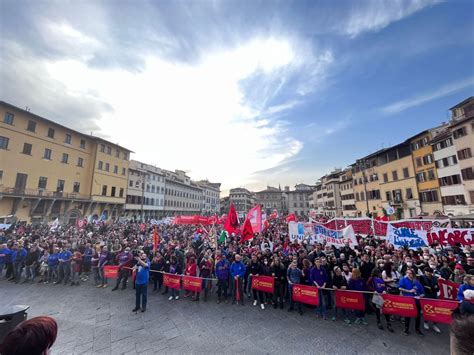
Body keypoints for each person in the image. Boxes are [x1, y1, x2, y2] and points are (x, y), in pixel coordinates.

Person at [399, 269, 425, 336]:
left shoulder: (417, 282)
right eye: (407, 272)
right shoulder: (403, 279)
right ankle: (406, 329)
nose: (408, 274)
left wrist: (420, 296)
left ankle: (417, 329)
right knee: (407, 315)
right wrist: (409, 291)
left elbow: (423, 293)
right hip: (408, 301)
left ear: (413, 274)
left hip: (417, 301)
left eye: (410, 273)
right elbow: (400, 288)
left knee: (418, 316)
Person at [419, 266, 440, 333]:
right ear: (424, 272)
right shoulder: (421, 278)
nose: (428, 273)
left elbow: (437, 287)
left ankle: (435, 324)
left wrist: (434, 288)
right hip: (426, 295)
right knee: (427, 309)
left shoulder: (435, 278)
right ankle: (426, 322)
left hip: (434, 295)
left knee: (435, 310)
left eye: (430, 272)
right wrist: (432, 287)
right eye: (427, 271)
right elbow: (422, 286)